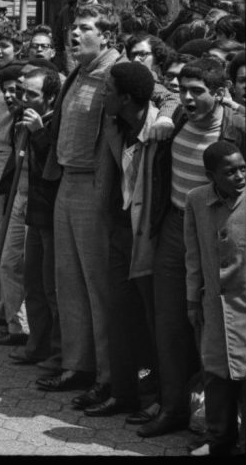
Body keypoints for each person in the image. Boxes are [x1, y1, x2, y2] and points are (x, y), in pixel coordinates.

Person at [38, 5, 177, 405]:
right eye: (73, 28)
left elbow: (163, 95)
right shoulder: (78, 72)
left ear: (107, 36)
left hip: (96, 190)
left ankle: (107, 375)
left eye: (84, 29)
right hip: (66, 181)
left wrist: (164, 118)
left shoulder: (117, 69)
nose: (74, 35)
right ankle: (76, 365)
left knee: (98, 287)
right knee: (69, 282)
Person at [136, 57, 246, 438]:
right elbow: (160, 91)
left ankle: (221, 424)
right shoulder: (178, 115)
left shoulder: (237, 128)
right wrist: (168, 107)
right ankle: (173, 409)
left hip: (218, 241)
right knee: (169, 325)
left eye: (197, 91)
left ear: (219, 93)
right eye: (183, 90)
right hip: (173, 229)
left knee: (216, 331)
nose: (187, 97)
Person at [85, 62, 165, 418]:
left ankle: (158, 397)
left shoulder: (162, 129)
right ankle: (122, 392)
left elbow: (167, 93)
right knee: (119, 316)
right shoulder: (117, 123)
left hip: (152, 235)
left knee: (153, 322)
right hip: (120, 230)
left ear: (128, 97)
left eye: (108, 91)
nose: (103, 96)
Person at [184, 141, 246, 457]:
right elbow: (193, 256)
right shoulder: (196, 201)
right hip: (214, 307)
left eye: (242, 168)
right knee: (217, 372)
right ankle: (219, 437)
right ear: (211, 176)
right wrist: (193, 301)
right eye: (230, 172)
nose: (239, 176)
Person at [7, 66, 62, 370]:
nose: (25, 99)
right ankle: (37, 344)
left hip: (54, 214)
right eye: (23, 93)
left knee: (52, 287)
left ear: (51, 96)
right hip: (35, 213)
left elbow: (53, 168)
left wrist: (39, 133)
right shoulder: (27, 121)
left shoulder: (55, 124)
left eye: (32, 94)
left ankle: (59, 351)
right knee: (34, 283)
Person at [0, 24, 29, 346]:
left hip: (9, 158)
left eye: (5, 46)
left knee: (6, 240)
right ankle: (3, 304)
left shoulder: (21, 78)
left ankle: (17, 318)